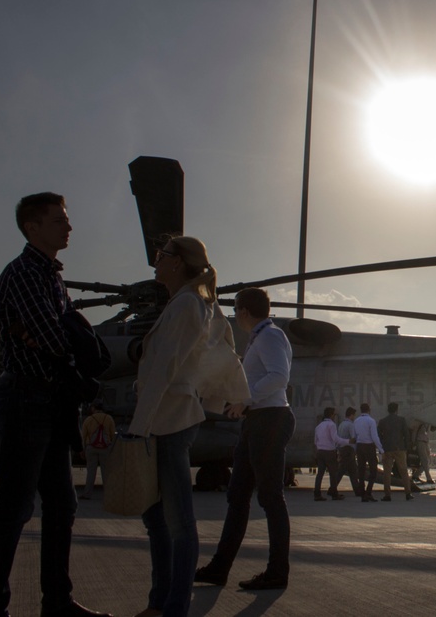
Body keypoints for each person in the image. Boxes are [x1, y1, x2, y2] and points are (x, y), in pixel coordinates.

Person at [0, 192, 113, 617]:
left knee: (63, 505)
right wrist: (74, 355)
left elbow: (59, 339)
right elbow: (55, 339)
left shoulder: (51, 277)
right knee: (15, 507)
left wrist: (70, 352)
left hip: (50, 402)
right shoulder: (23, 275)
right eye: (59, 221)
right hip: (27, 399)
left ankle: (58, 602)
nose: (68, 227)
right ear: (33, 227)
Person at [128, 236, 249, 617]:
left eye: (161, 256)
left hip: (167, 421)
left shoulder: (185, 305)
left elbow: (165, 368)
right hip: (171, 418)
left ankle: (173, 606)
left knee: (176, 523)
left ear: (178, 263)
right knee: (157, 520)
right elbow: (218, 353)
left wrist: (138, 427)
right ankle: (161, 602)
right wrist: (211, 399)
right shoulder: (195, 304)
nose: (155, 262)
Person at [194, 287, 295, 592]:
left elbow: (280, 376)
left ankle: (277, 572)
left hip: (270, 420)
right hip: (258, 421)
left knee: (270, 498)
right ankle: (219, 568)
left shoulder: (270, 336)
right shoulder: (259, 338)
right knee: (237, 496)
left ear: (244, 311)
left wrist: (246, 400)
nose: (235, 315)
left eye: (236, 309)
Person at [79, 399, 115, 500]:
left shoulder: (89, 419)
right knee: (105, 472)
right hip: (105, 448)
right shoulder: (109, 419)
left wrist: (82, 450)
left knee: (91, 472)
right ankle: (108, 494)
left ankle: (87, 494)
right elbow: (113, 435)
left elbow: (83, 435)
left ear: (94, 408)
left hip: (91, 448)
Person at [377, 402, 414, 501]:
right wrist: (407, 447)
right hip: (399, 448)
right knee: (403, 471)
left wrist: (382, 446)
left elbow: (378, 435)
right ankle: (408, 493)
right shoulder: (401, 420)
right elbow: (406, 434)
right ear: (397, 410)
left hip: (387, 449)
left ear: (388, 410)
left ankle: (387, 494)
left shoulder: (382, 421)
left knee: (387, 473)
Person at [313, 407, 350, 501]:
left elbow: (315, 441)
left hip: (320, 451)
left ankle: (317, 494)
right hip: (329, 452)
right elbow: (336, 439)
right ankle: (334, 493)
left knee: (320, 474)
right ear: (331, 415)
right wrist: (348, 441)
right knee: (333, 474)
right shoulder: (331, 425)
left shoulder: (319, 426)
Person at [353, 402, 382, 502]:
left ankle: (362, 493)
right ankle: (368, 492)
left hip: (360, 446)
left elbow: (355, 436)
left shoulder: (356, 421)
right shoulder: (371, 421)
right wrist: (381, 449)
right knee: (373, 470)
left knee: (361, 470)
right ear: (369, 410)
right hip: (369, 446)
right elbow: (374, 437)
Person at [335, 407, 362, 497]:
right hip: (348, 450)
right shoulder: (350, 425)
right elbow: (353, 438)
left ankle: (357, 491)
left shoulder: (341, 424)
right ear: (351, 415)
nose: (354, 417)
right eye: (353, 415)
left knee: (352, 470)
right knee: (343, 470)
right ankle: (332, 488)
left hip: (342, 449)